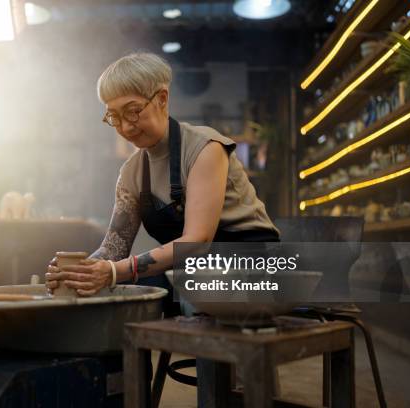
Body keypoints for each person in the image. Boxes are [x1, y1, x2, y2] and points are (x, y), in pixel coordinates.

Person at [45, 52, 279, 304]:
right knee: (138, 293)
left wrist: (115, 272)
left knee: (137, 283)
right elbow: (113, 249)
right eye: (114, 117)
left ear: (162, 99)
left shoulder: (205, 148)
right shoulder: (131, 173)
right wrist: (76, 273)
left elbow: (197, 242)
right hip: (195, 272)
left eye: (132, 111)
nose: (125, 127)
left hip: (252, 266)